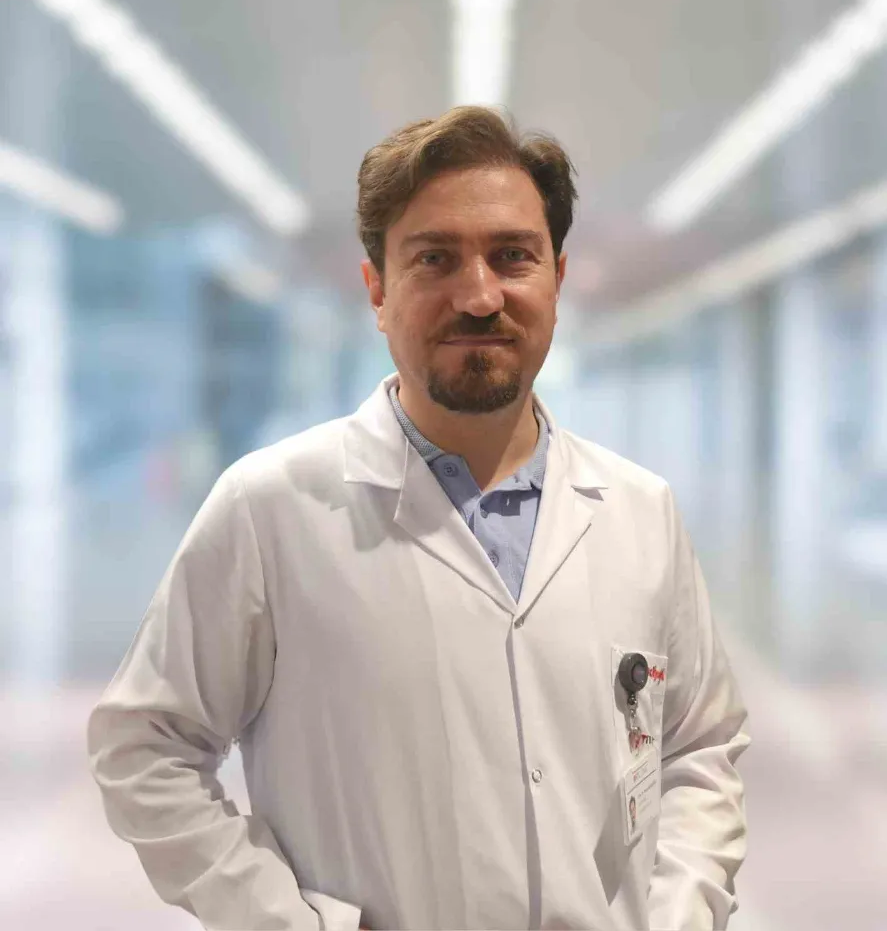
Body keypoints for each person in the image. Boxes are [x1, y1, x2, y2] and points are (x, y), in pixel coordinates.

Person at [88, 106, 750, 931]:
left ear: (555, 277)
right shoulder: (270, 508)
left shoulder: (639, 510)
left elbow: (698, 749)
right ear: (377, 289)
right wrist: (287, 922)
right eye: (435, 259)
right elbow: (144, 747)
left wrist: (679, 916)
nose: (478, 296)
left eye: (512, 256)